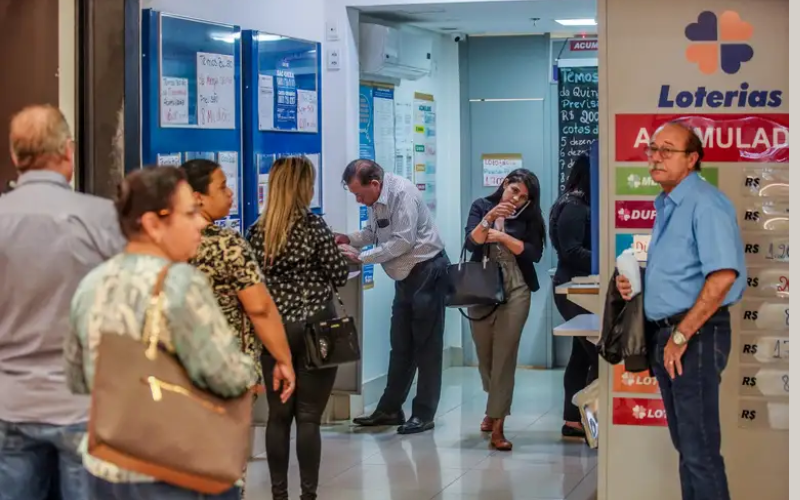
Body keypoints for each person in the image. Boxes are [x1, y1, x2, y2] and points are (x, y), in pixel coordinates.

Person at [66, 166, 264, 500]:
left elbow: (77, 378)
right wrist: (251, 369)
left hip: (105, 463)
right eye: (188, 214)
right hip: (175, 465)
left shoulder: (91, 283)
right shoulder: (180, 284)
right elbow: (227, 376)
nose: (199, 224)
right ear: (153, 224)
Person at [0, 104, 125, 500]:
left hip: (9, 404)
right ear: (68, 151)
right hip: (83, 407)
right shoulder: (103, 219)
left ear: (15, 155)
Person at [616, 121, 744, 500]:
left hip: (694, 338)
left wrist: (681, 335)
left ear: (692, 159)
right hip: (671, 336)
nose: (656, 157)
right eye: (653, 149)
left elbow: (722, 279)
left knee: (700, 453)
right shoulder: (670, 204)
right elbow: (683, 271)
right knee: (688, 450)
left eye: (667, 151)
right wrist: (636, 279)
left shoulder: (706, 203)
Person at [181, 159, 295, 498]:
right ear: (198, 197)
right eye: (222, 187)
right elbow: (259, 307)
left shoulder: (160, 242)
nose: (231, 194)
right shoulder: (225, 244)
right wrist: (282, 359)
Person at [246, 156, 349, 500]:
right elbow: (337, 274)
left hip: (274, 330)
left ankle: (278, 495)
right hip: (317, 326)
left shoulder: (257, 232)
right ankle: (308, 495)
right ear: (303, 187)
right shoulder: (314, 226)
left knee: (278, 416)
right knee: (308, 418)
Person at [336, 159, 449, 435]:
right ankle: (389, 409)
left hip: (428, 271)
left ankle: (423, 413)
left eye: (359, 194)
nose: (358, 200)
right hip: (405, 276)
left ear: (374, 184)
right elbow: (373, 233)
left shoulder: (403, 193)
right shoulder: (377, 201)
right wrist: (346, 239)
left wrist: (362, 258)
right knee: (400, 344)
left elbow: (403, 241)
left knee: (427, 346)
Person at [464, 168, 545, 451]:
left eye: (524, 197)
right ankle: (492, 403)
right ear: (504, 184)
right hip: (481, 286)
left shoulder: (530, 216)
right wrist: (490, 218)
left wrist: (503, 238)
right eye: (514, 191)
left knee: (505, 356)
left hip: (516, 286)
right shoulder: (481, 206)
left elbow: (534, 252)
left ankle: (498, 424)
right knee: (485, 354)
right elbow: (471, 241)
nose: (517, 199)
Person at [549, 154, 598, 439]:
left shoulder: (576, 203)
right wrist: (608, 259)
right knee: (598, 355)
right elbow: (571, 251)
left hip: (581, 288)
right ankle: (592, 422)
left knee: (582, 355)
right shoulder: (575, 207)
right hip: (573, 289)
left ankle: (573, 421)